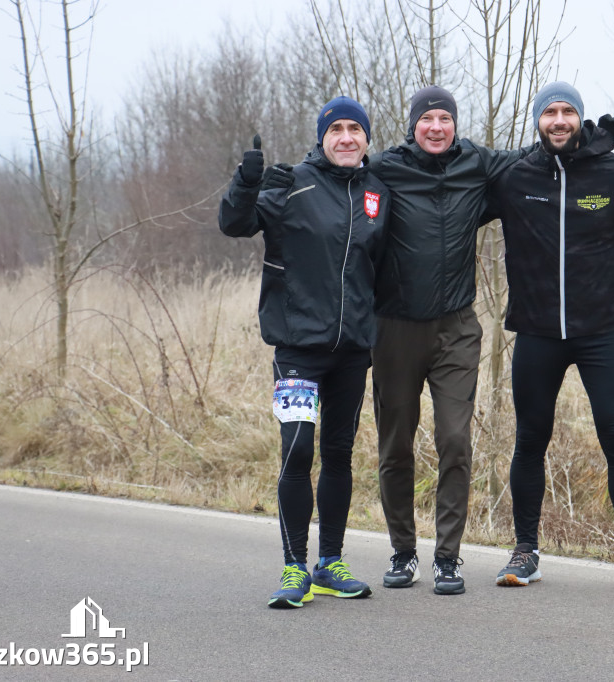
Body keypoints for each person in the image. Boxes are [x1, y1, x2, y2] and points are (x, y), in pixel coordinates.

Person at [263, 86, 614, 596]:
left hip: (456, 328)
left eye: (445, 119)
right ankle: (403, 551)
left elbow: (537, 157)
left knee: (455, 440)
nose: (436, 127)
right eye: (426, 119)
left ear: (455, 126)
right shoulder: (385, 169)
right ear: (412, 126)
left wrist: (588, 146)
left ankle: (448, 557)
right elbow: (337, 172)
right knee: (396, 445)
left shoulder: (478, 164)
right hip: (393, 328)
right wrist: (297, 169)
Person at [488, 82, 614, 592]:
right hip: (536, 332)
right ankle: (525, 550)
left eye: (567, 111)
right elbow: (448, 210)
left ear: (580, 117)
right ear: (537, 120)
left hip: (601, 333)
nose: (558, 120)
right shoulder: (513, 177)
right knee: (530, 439)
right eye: (549, 112)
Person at [218, 96, 390, 609]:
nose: (345, 137)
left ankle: (329, 563)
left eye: (354, 130)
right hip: (298, 348)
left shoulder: (378, 190)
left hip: (353, 350)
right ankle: (294, 569)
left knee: (339, 455)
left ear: (365, 139)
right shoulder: (290, 183)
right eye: (335, 129)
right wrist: (246, 181)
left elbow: (382, 266)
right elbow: (235, 223)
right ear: (322, 138)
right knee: (297, 450)